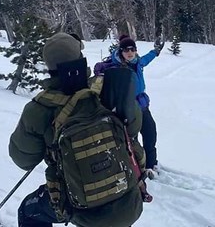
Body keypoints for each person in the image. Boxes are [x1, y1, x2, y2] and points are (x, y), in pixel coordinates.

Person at [9, 32, 144, 227]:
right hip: (128, 199)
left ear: (49, 67)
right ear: (81, 59)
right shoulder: (107, 88)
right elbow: (133, 127)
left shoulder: (39, 108)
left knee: (29, 210)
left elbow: (23, 160)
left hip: (82, 210)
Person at [94, 35, 164, 175]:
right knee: (132, 139)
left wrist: (155, 52)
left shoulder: (138, 62)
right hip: (127, 108)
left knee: (150, 133)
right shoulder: (115, 66)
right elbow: (101, 76)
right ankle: (137, 167)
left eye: (132, 49)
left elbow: (146, 59)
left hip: (142, 105)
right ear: (121, 51)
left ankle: (151, 164)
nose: (130, 52)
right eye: (126, 50)